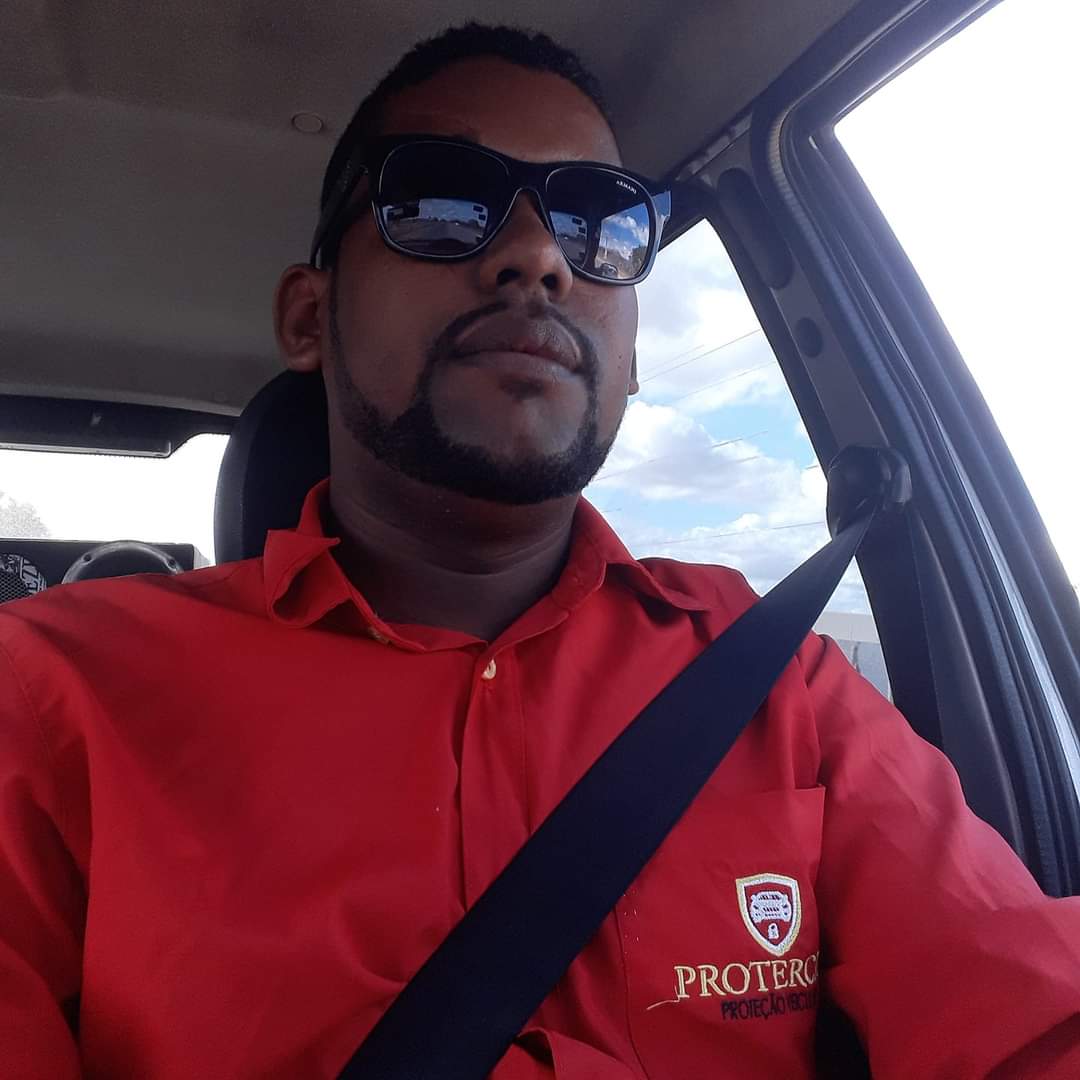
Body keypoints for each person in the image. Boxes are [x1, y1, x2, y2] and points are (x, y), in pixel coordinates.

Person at [0, 22, 1078, 1080]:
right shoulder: (51, 693)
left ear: (633, 356)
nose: (539, 257)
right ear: (308, 318)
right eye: (440, 202)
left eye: (599, 224)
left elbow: (1023, 1008)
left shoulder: (774, 678)